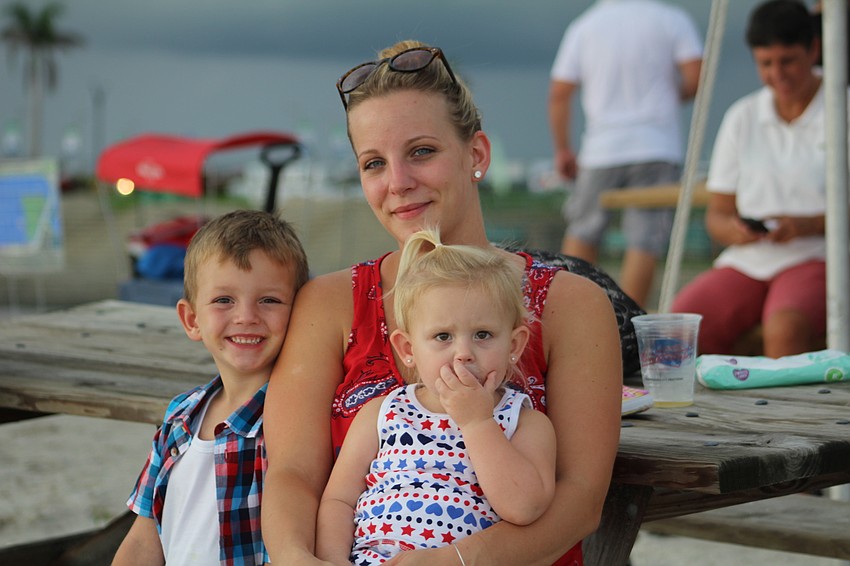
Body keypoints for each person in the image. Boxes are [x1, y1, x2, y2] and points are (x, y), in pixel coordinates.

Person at [261, 39, 623, 566]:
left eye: (422, 152)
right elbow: (293, 472)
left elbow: (581, 500)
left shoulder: (570, 305)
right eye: (373, 163)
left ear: (476, 154)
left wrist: (455, 561)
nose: (399, 183)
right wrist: (299, 559)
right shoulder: (330, 304)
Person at [315, 229, 557, 565]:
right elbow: (339, 500)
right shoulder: (382, 413)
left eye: (483, 334)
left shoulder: (524, 423)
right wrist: (332, 560)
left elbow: (525, 507)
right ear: (408, 349)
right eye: (443, 336)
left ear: (514, 346)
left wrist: (477, 422)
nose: (464, 353)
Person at [112, 210, 309, 565]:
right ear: (192, 320)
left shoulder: (295, 425)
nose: (246, 316)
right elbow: (144, 539)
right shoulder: (179, 416)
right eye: (223, 300)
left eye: (269, 300)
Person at [672, 0, 829, 358]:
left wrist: (810, 225)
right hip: (749, 259)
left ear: (814, 50)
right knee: (680, 327)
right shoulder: (742, 116)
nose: (778, 74)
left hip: (819, 256)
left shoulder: (841, 108)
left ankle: (784, 416)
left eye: (787, 60)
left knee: (785, 328)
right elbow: (718, 215)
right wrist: (737, 231)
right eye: (766, 63)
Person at [548, 0, 703, 308]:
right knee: (645, 239)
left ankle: (568, 313)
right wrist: (673, 97)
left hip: (602, 147)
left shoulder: (585, 26)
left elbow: (559, 94)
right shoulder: (672, 20)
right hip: (656, 145)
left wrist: (563, 149)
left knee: (584, 231)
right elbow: (697, 76)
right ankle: (628, 323)